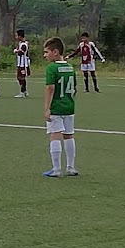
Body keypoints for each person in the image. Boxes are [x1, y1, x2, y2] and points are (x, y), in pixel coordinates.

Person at [42, 37, 79, 178]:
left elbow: (50, 88)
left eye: (46, 52)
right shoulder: (70, 67)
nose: (45, 55)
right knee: (69, 135)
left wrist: (47, 108)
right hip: (69, 106)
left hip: (56, 107)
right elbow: (74, 89)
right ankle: (71, 167)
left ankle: (56, 169)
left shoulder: (51, 68)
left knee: (55, 135)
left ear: (55, 52)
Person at [13, 29, 31, 98]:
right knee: (19, 77)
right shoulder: (20, 43)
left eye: (17, 35)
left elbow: (20, 53)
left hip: (24, 64)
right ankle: (24, 91)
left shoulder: (24, 44)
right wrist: (17, 50)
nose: (16, 37)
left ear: (20, 36)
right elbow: (17, 50)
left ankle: (22, 92)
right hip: (19, 64)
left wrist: (16, 51)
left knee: (22, 78)